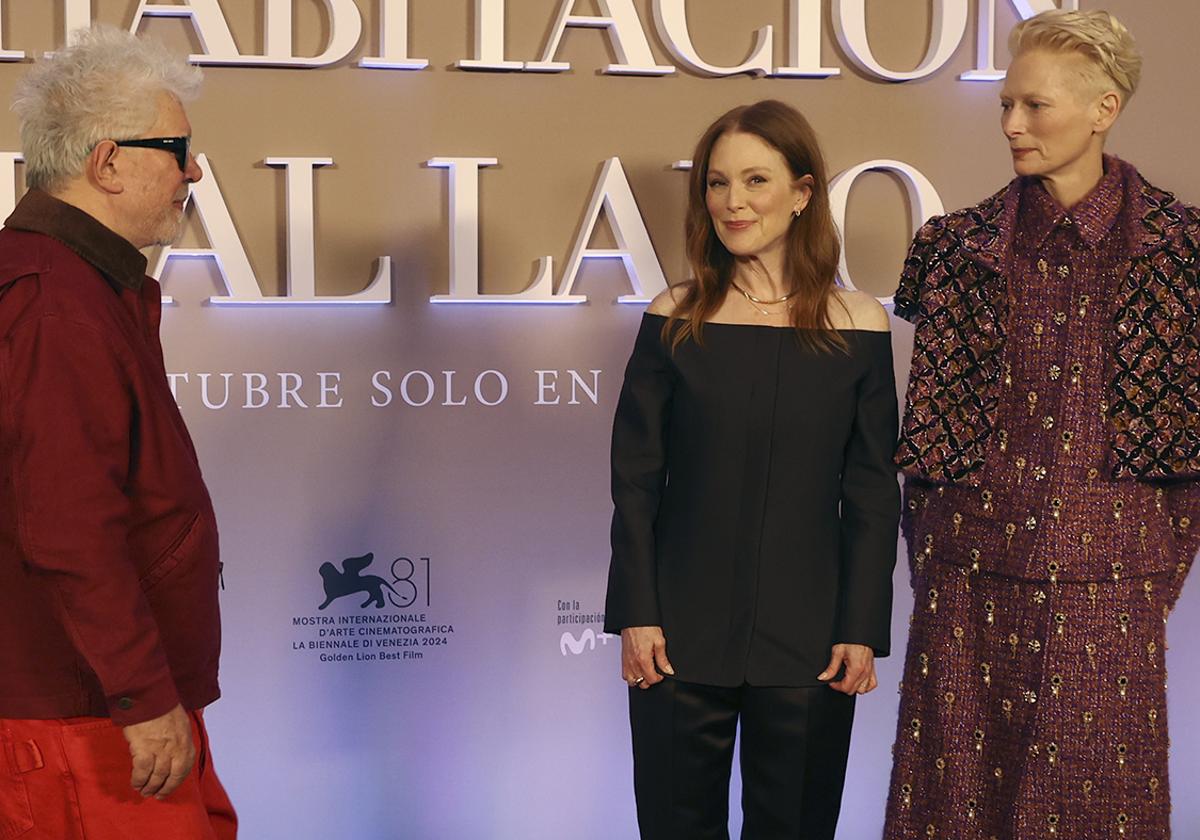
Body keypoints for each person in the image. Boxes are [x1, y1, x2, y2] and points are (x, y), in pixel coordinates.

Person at [884, 10, 1200, 839]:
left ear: (1105, 107)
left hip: (1110, 587)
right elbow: (925, 454)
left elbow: (1190, 465)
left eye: (1036, 106)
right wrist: (947, 560)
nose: (1013, 125)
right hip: (963, 580)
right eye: (1004, 106)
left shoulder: (1181, 251)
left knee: (1098, 816)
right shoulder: (953, 249)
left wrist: (1136, 574)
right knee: (952, 814)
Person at [604, 99, 900, 840]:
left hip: (811, 643)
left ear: (802, 193)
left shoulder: (860, 324)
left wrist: (861, 625)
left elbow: (870, 490)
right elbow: (635, 480)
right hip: (676, 637)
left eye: (756, 181)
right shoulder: (673, 315)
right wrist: (637, 614)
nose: (732, 203)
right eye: (716, 183)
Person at [0, 26, 236, 839]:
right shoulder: (59, 305)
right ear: (106, 163)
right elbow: (67, 524)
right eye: (176, 150)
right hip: (89, 720)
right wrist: (140, 695)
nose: (193, 172)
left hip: (100, 702)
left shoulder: (76, 289)